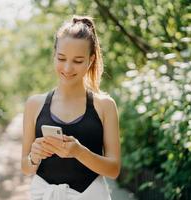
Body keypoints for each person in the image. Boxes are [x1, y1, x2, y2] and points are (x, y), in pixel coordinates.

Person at [21, 15, 120, 200]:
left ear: (91, 60)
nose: (67, 68)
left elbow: (114, 170)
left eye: (77, 61)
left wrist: (78, 152)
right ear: (54, 55)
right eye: (61, 58)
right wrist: (34, 156)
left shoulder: (105, 106)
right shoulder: (34, 104)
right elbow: (25, 167)